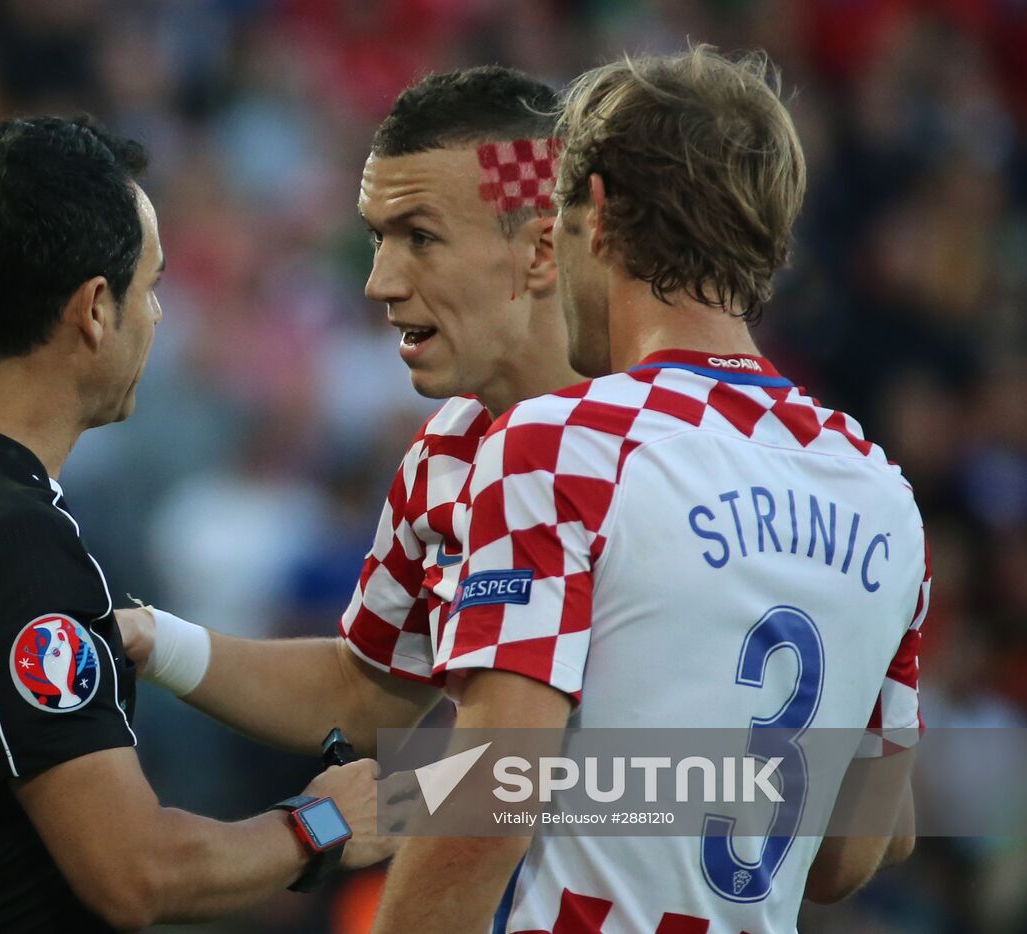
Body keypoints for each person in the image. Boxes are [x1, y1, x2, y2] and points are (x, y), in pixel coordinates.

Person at [0, 45, 393, 932]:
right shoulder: (14, 549)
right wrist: (324, 821)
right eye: (150, 287)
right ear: (94, 308)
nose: (158, 314)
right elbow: (137, 873)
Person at [367, 47, 929, 932]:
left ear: (597, 211)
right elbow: (859, 851)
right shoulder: (880, 487)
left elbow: (491, 800)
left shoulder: (565, 443)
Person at [118, 65, 581, 753]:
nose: (379, 283)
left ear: (539, 247)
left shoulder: (674, 442)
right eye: (377, 238)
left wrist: (370, 815)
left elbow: (768, 779)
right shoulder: (448, 452)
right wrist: (152, 639)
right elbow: (363, 696)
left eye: (420, 237)